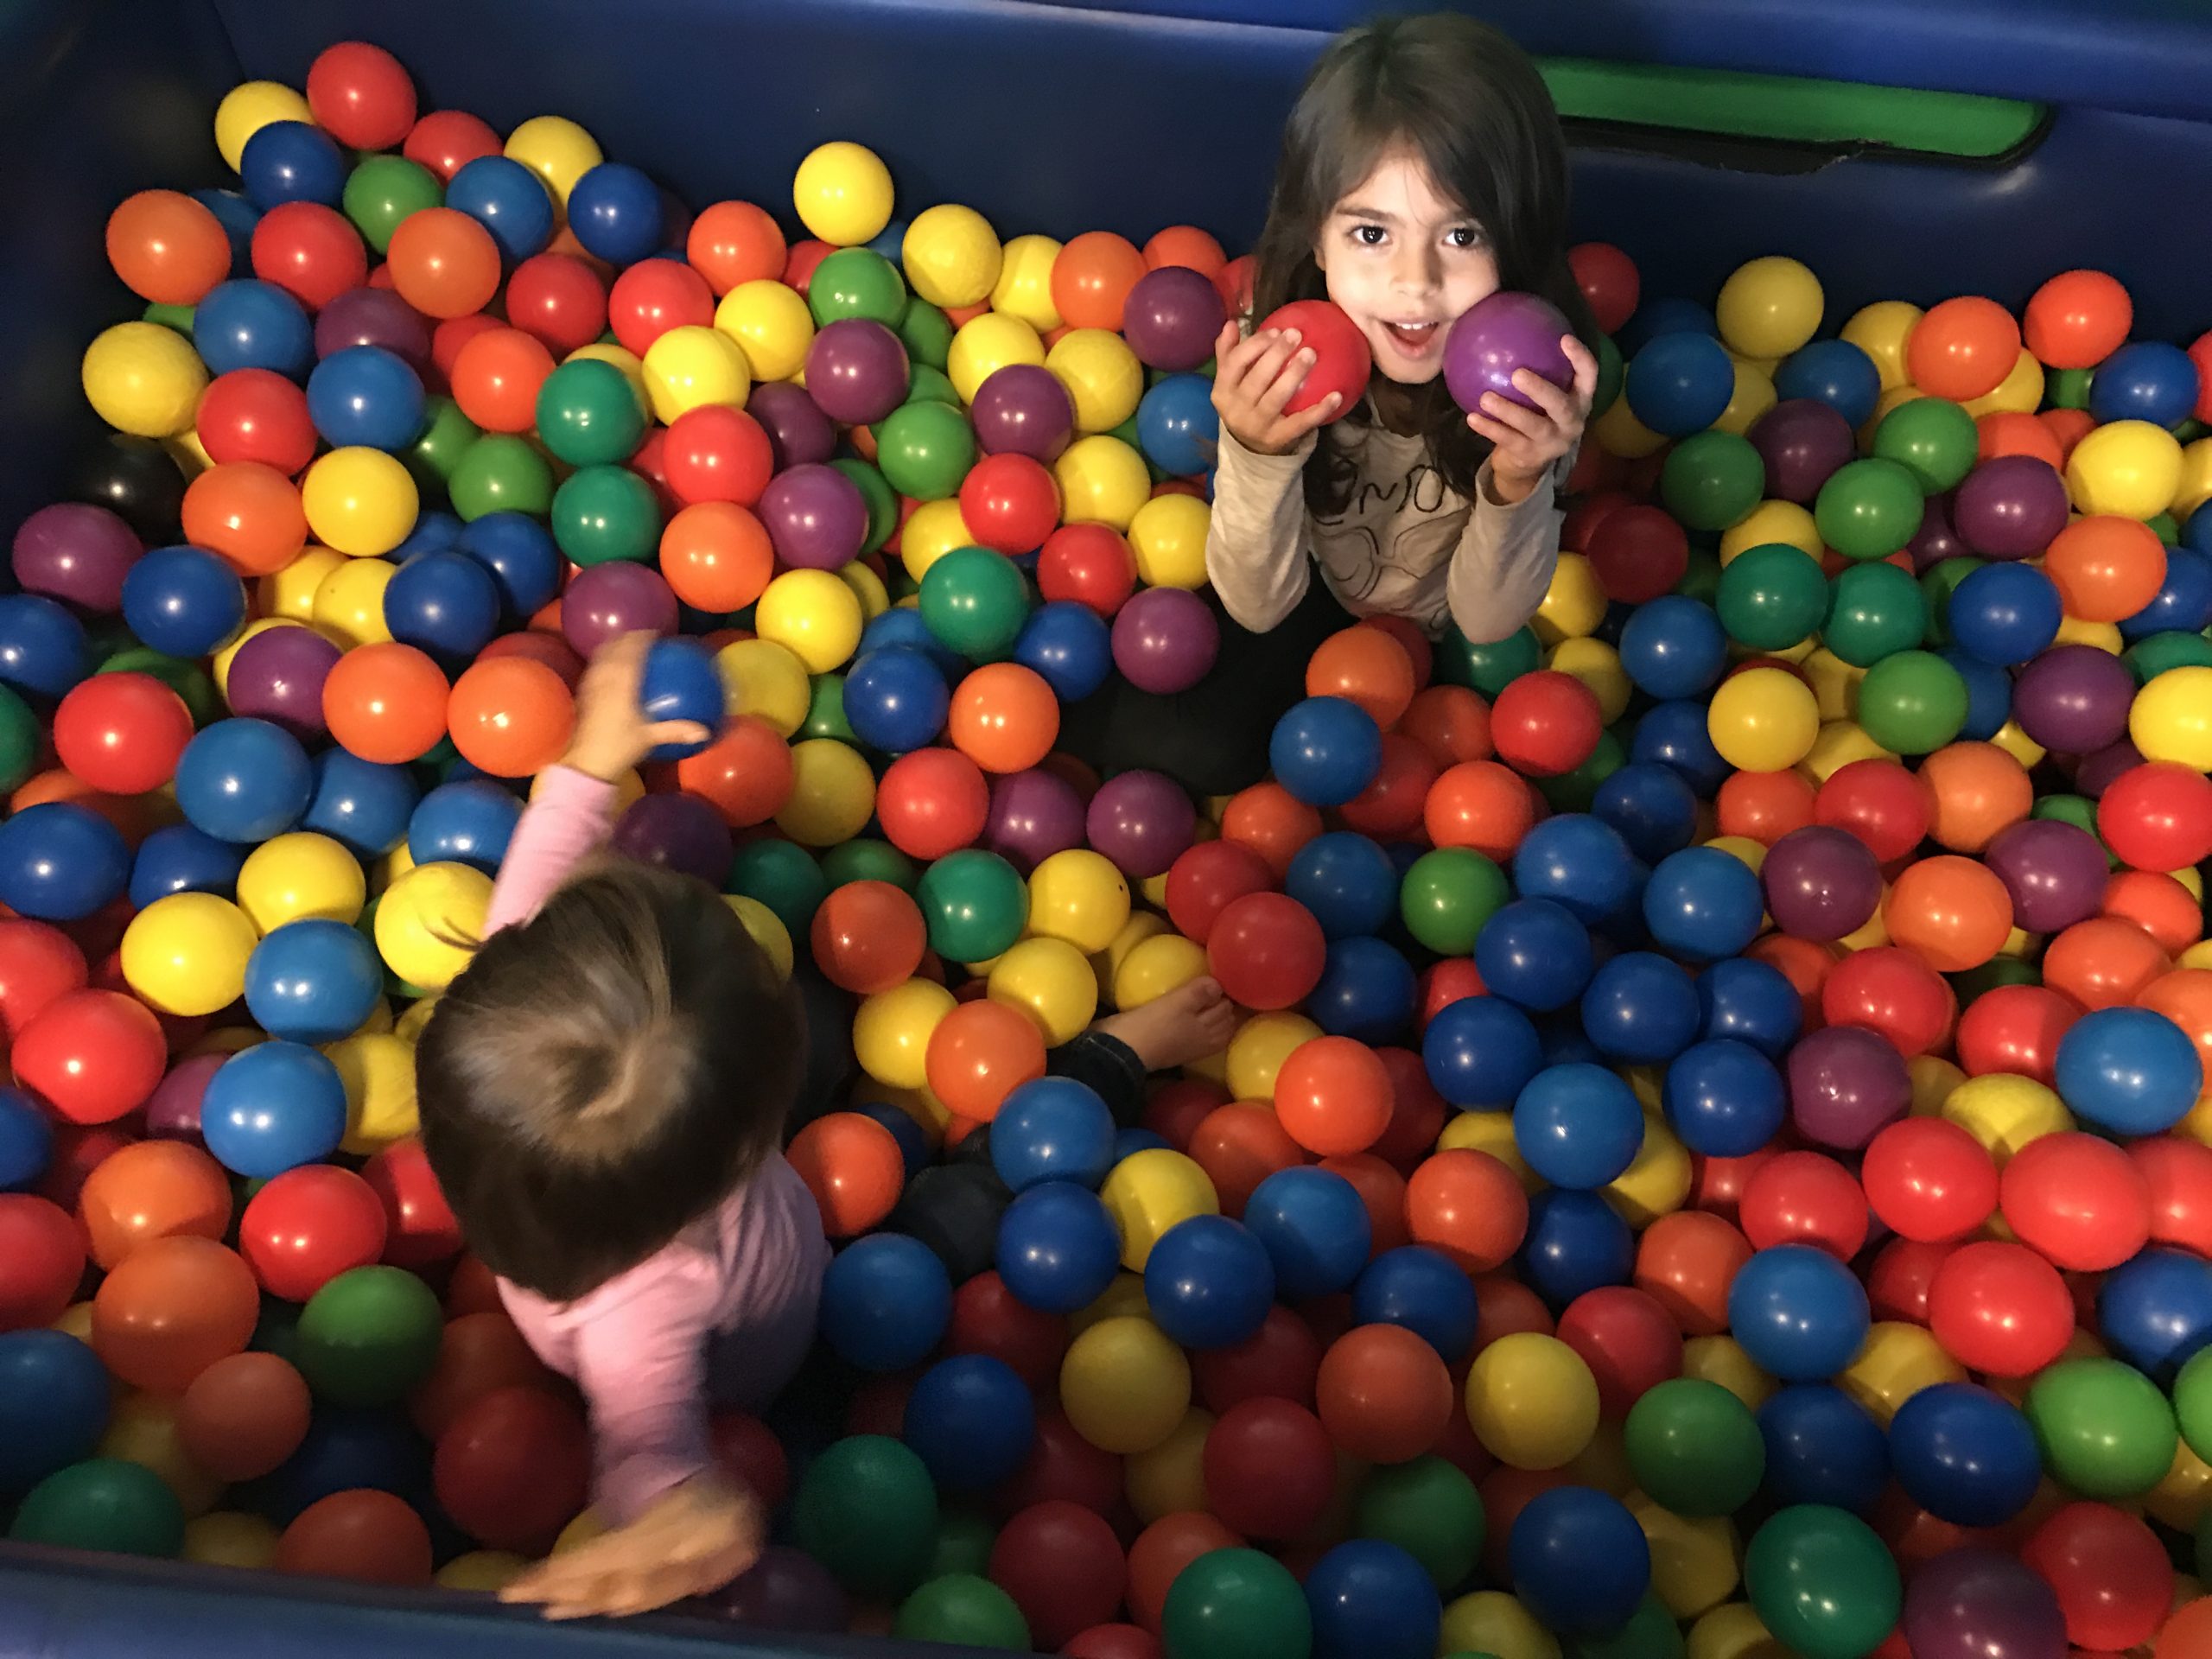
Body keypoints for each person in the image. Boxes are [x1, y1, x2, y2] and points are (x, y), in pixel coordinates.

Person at [416, 634, 1235, 1618]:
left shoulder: (509, 1013)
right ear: (740, 1145)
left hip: (729, 1185)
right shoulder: (638, 1308)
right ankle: (1111, 1060)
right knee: (972, 1200)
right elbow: (646, 1448)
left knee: (837, 989)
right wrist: (687, 1517)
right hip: (809, 1342)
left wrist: (592, 756)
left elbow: (542, 869)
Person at [1061, 12, 1599, 798]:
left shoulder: (1539, 378)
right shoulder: (1282, 353)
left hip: (1452, 635)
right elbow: (1257, 602)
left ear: (1516, 240)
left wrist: (1519, 480)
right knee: (1183, 746)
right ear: (1318, 238)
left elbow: (1487, 622)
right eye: (1372, 234)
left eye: (1463, 235)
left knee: (1530, 772)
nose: (1415, 283)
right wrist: (1258, 451)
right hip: (1304, 590)